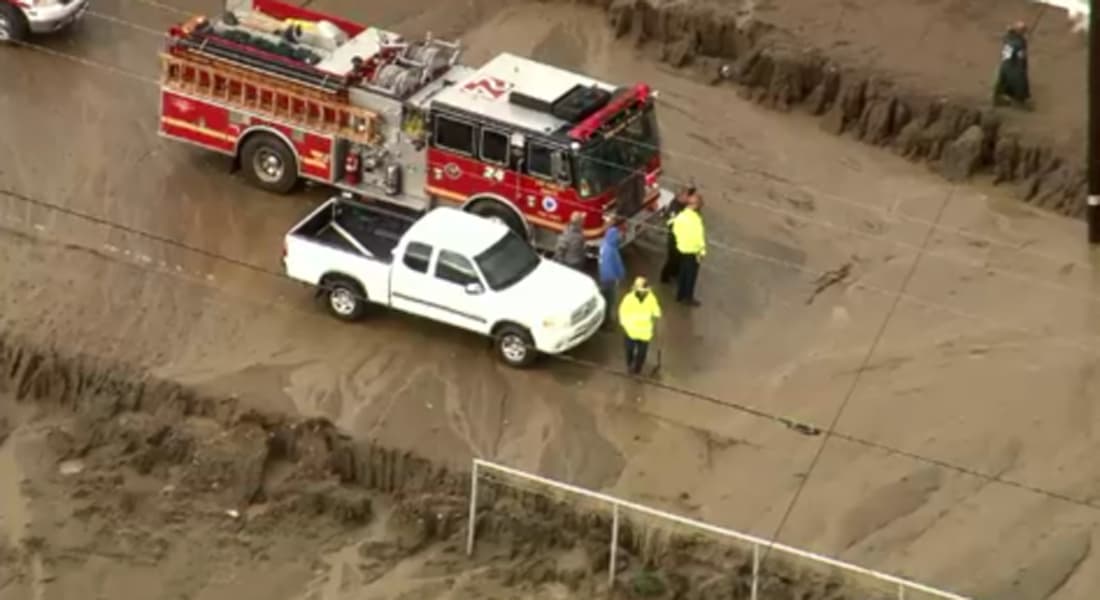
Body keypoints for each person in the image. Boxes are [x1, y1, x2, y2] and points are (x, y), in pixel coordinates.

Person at [618, 277, 662, 375]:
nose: (643, 292)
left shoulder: (651, 298)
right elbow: (622, 312)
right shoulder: (628, 298)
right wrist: (624, 324)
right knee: (629, 350)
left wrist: (657, 313)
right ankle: (630, 365)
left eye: (644, 290)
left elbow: (656, 309)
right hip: (631, 331)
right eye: (641, 290)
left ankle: (637, 369)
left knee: (642, 354)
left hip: (645, 333)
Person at [671, 194, 706, 306]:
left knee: (683, 272)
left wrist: (680, 241)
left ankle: (680, 295)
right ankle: (688, 297)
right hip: (693, 251)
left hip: (682, 249)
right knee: (691, 275)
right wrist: (702, 252)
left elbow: (675, 229)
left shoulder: (681, 216)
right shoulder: (695, 219)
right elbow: (699, 237)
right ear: (695, 205)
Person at [660, 186, 696, 284]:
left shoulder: (685, 206)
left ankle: (675, 274)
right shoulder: (675, 207)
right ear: (683, 195)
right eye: (689, 196)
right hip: (674, 239)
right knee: (672, 259)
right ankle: (665, 278)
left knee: (679, 259)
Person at [993, 21, 1031, 108]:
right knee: (1018, 83)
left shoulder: (1011, 38)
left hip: (1010, 63)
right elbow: (1017, 55)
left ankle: (1004, 98)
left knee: (1006, 81)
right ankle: (1016, 101)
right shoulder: (1017, 42)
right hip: (1012, 65)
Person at [597, 216, 625, 327]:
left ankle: (606, 321)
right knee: (609, 301)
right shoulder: (611, 250)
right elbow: (613, 265)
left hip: (606, 278)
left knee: (607, 299)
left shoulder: (606, 245)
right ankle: (606, 322)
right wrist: (618, 276)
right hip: (609, 280)